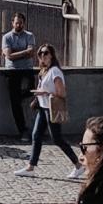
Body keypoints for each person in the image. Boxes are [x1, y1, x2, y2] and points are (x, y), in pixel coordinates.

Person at [14, 45, 83, 179]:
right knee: (36, 136)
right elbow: (42, 87)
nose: (43, 56)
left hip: (51, 109)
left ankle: (78, 165)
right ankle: (30, 167)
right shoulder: (44, 71)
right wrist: (37, 99)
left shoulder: (55, 71)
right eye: (40, 54)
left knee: (57, 139)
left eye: (46, 53)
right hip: (43, 108)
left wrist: (44, 93)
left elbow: (62, 93)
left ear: (52, 55)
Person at [0, 12, 38, 136]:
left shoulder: (29, 35)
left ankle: (19, 97)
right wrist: (24, 52)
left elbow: (31, 52)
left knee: (32, 90)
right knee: (15, 103)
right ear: (12, 23)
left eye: (21, 23)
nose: (18, 25)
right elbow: (9, 56)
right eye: (16, 23)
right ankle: (22, 130)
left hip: (27, 69)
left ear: (24, 23)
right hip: (12, 71)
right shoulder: (7, 37)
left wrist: (15, 53)